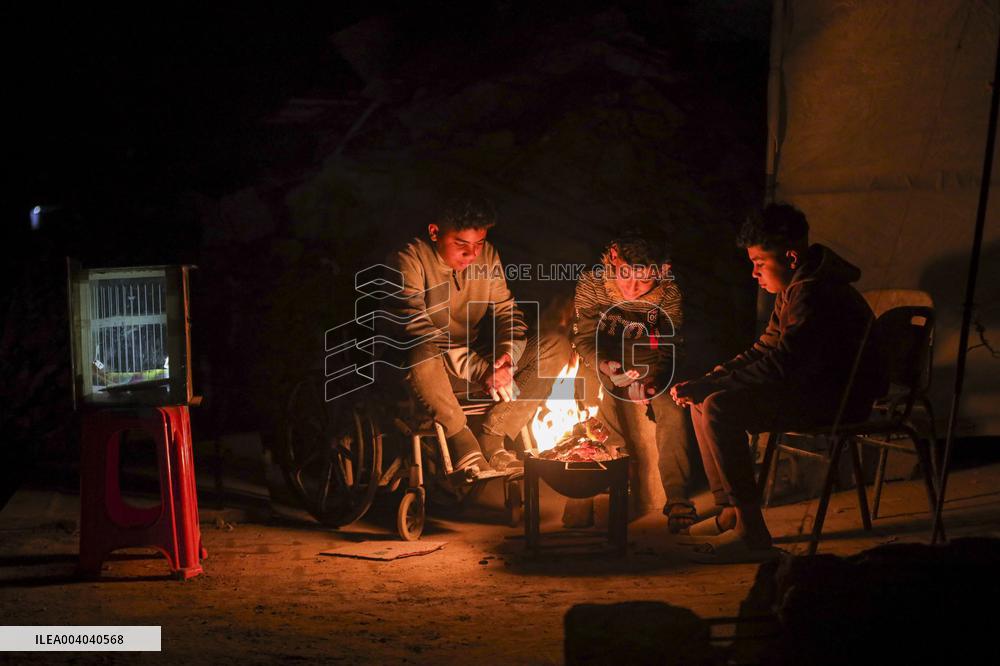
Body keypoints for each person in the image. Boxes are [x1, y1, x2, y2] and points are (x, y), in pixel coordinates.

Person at [670, 203, 884, 561]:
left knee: (721, 406)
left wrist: (714, 388)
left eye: (759, 263)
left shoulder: (815, 293)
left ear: (790, 256)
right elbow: (766, 347)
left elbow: (784, 364)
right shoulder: (795, 287)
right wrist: (711, 379)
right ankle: (730, 511)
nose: (753, 273)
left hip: (838, 400)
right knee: (704, 398)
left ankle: (751, 531)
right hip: (811, 389)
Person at [390, 195, 569, 479]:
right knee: (420, 349)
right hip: (423, 370)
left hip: (471, 366)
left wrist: (506, 359)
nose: (472, 254)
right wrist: (482, 369)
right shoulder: (408, 259)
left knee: (556, 346)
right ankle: (461, 438)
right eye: (461, 245)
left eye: (478, 244)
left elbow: (506, 311)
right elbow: (417, 328)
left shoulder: (487, 257)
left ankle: (495, 436)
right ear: (435, 232)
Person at [572, 227, 697, 532]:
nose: (631, 288)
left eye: (643, 280)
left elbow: (670, 348)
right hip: (604, 355)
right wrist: (605, 365)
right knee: (591, 388)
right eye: (625, 275)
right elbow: (585, 339)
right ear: (614, 257)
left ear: (663, 270)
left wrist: (654, 380)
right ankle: (608, 476)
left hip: (648, 359)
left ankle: (677, 494)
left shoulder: (669, 293)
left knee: (672, 402)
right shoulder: (592, 283)